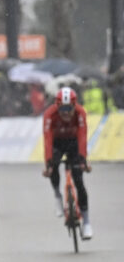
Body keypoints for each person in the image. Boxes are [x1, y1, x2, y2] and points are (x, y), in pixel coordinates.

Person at [42, 87, 93, 239]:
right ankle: (58, 195)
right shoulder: (49, 114)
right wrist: (49, 162)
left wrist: (83, 159)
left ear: (74, 105)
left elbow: (83, 136)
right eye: (62, 108)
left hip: (73, 143)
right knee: (54, 167)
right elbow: (47, 139)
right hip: (57, 143)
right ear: (57, 106)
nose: (65, 113)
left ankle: (87, 222)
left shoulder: (80, 113)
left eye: (68, 108)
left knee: (79, 181)